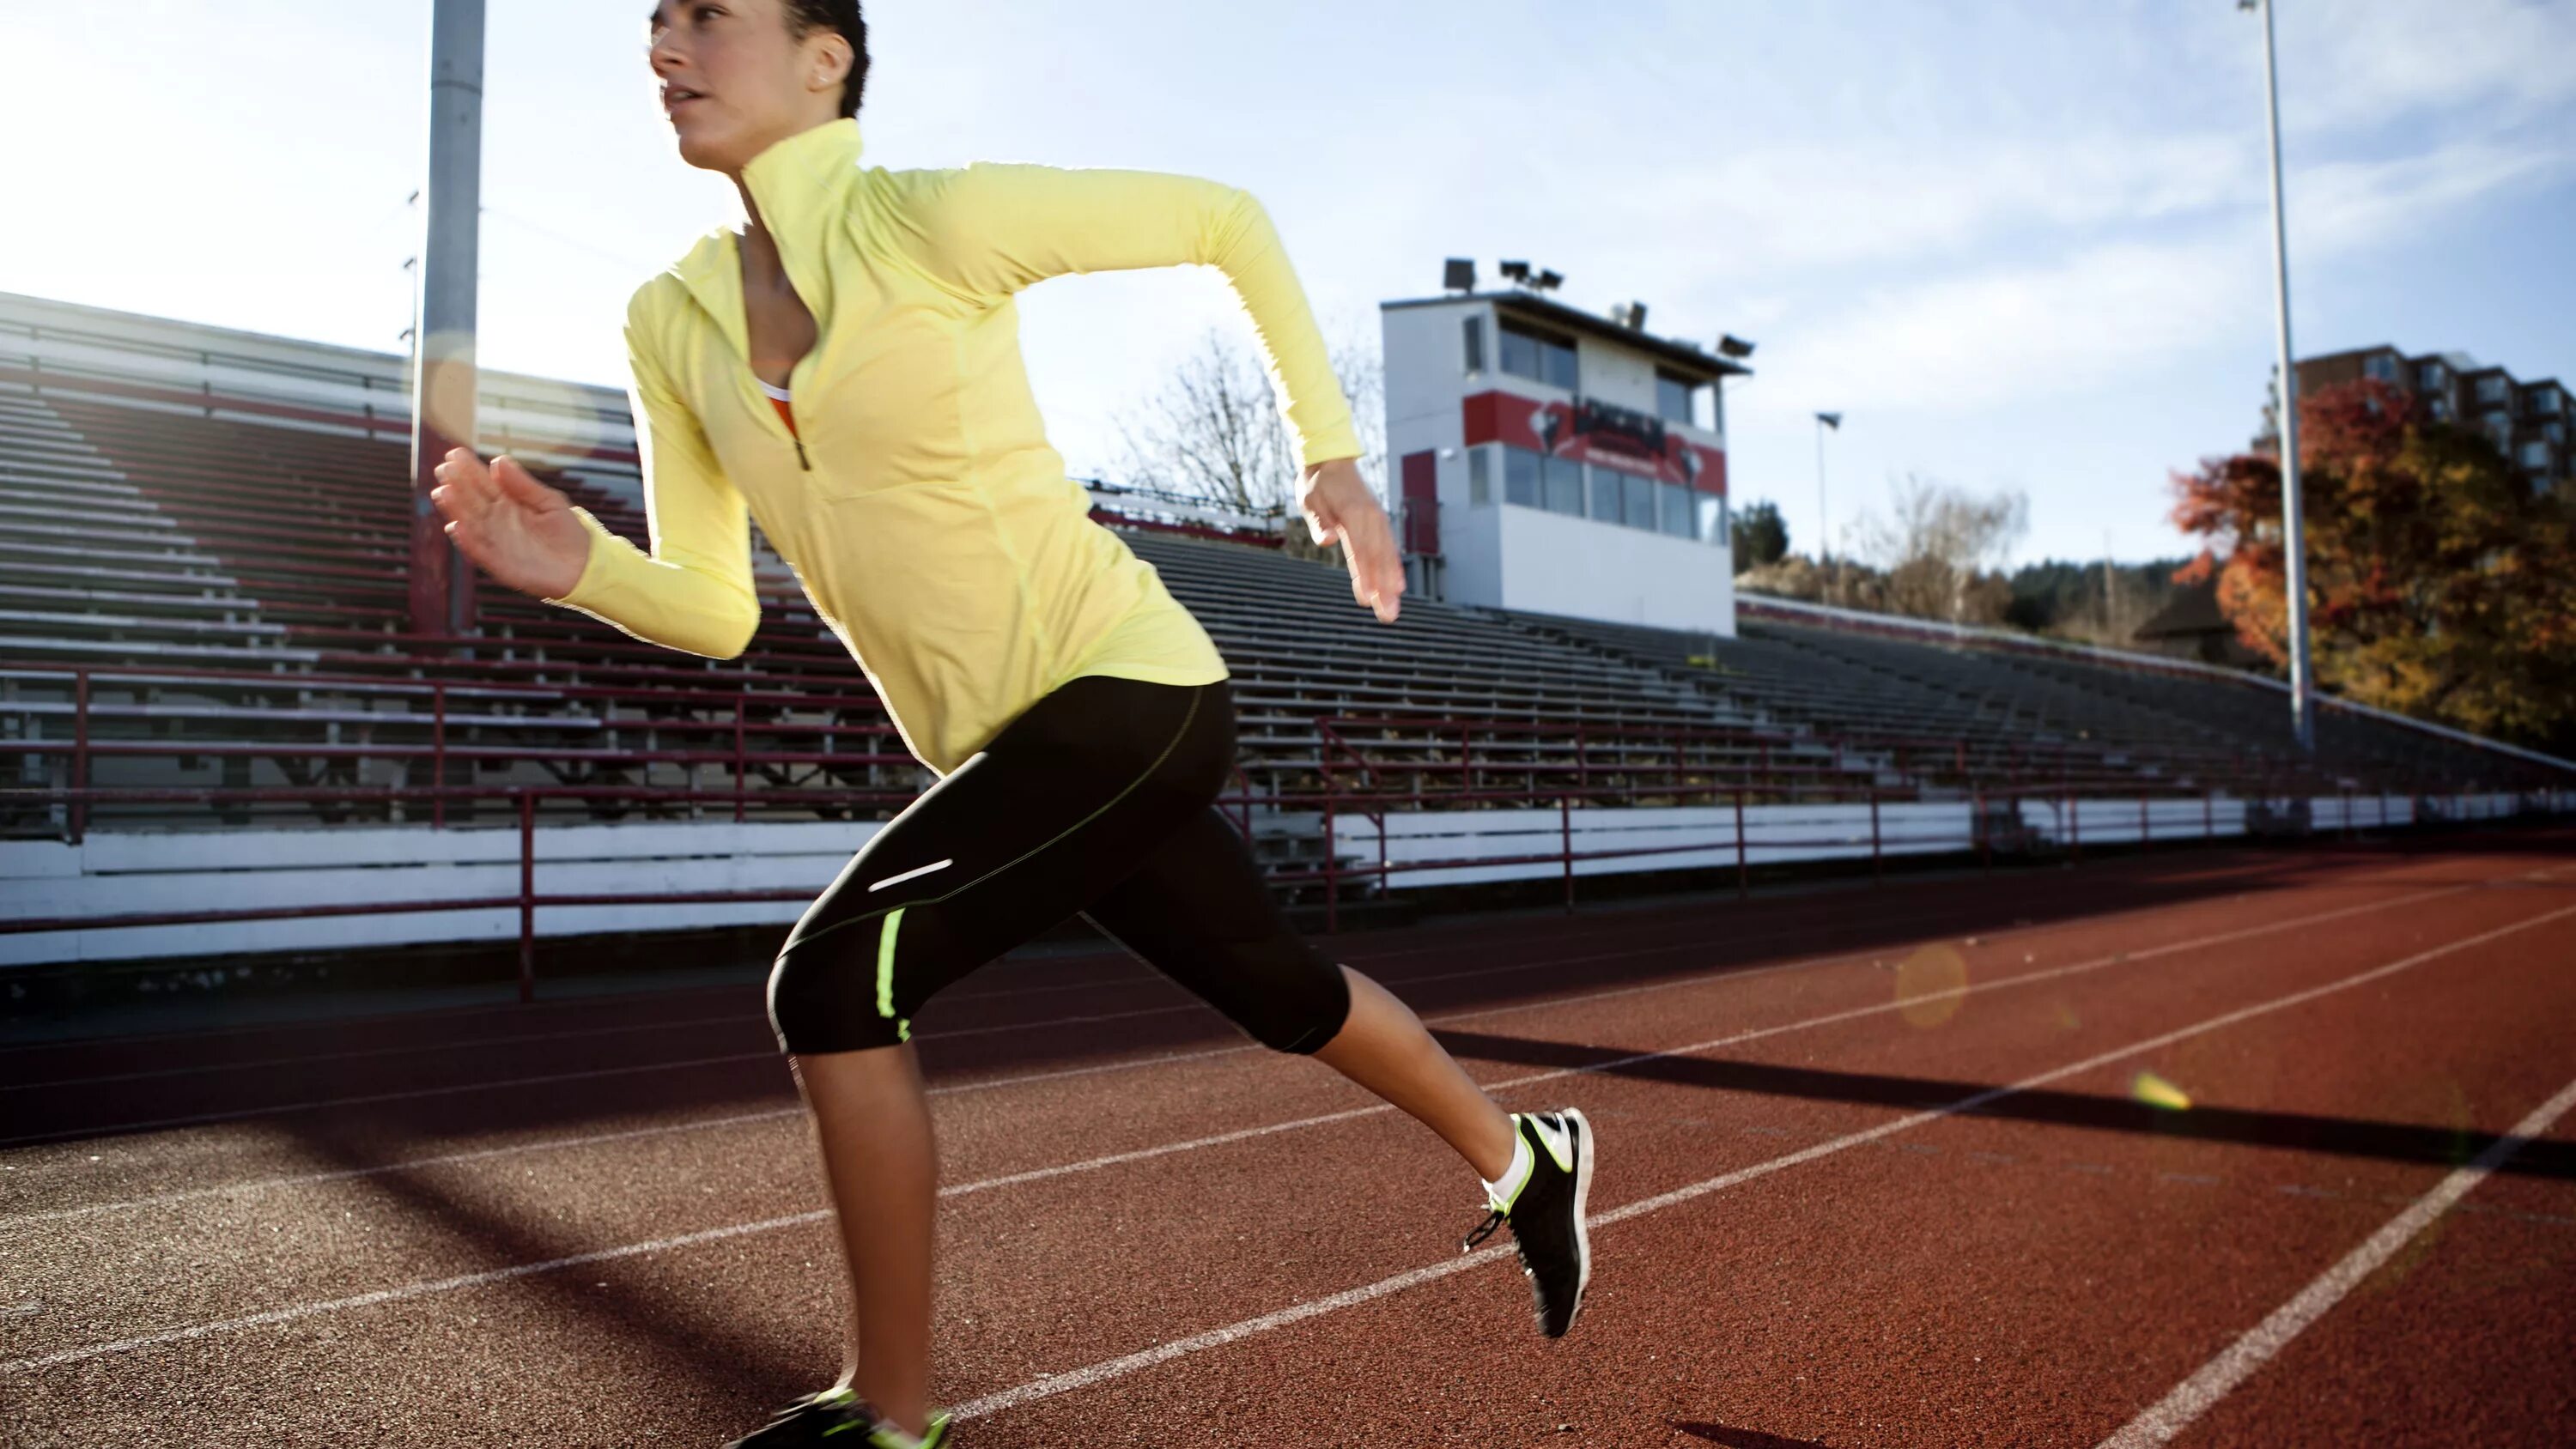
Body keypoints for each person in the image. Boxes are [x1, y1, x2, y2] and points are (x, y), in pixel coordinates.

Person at [428, 3, 1595, 1444]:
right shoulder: (667, 321)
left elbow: (1227, 216)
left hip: (1129, 687)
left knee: (833, 983)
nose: (664, 51)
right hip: (1015, 757)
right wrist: (580, 569)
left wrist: (1334, 461)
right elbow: (721, 610)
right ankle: (1524, 1157)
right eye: (655, 28)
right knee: (1284, 994)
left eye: (706, 18)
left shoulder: (935, 223)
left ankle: (892, 1416)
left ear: (824, 57)